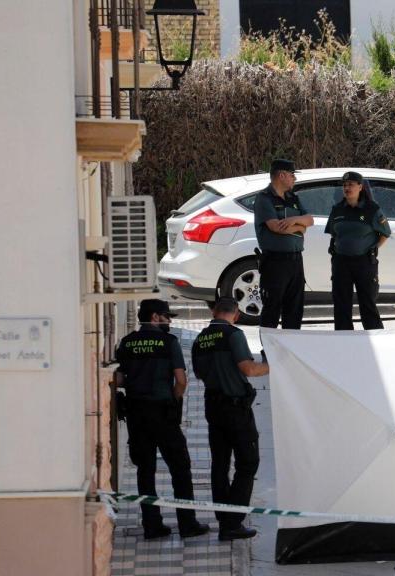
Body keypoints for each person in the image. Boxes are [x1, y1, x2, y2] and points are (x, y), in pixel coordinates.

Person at [115, 299, 209, 540]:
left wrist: (137, 382)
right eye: (167, 317)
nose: (169, 322)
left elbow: (119, 379)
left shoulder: (126, 343)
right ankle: (187, 524)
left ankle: (152, 526)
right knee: (180, 468)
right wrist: (174, 402)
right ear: (155, 317)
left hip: (137, 413)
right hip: (163, 412)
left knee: (145, 471)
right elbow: (181, 380)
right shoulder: (169, 342)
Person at [191, 297, 269, 541]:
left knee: (220, 463)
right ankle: (232, 522)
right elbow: (249, 369)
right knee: (248, 463)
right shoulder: (233, 335)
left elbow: (199, 374)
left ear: (214, 312)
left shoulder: (199, 339)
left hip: (213, 406)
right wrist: (272, 364)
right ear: (236, 314)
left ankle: (224, 517)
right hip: (236, 409)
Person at [253, 158, 314, 330]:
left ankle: (290, 352)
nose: (294, 179)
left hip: (295, 261)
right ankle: (269, 353)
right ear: (282, 175)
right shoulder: (264, 198)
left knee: (294, 309)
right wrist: (300, 228)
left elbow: (309, 220)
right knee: (272, 308)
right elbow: (276, 227)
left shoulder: (293, 198)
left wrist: (294, 220)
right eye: (292, 175)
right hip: (275, 261)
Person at [325, 171, 391, 330]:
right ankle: (344, 339)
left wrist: (372, 249)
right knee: (341, 304)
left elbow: (385, 233)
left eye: (351, 185)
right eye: (345, 185)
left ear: (360, 187)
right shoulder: (337, 209)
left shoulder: (371, 209)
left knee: (367, 303)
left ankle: (375, 337)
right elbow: (334, 233)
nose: (347, 188)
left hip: (364, 262)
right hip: (341, 262)